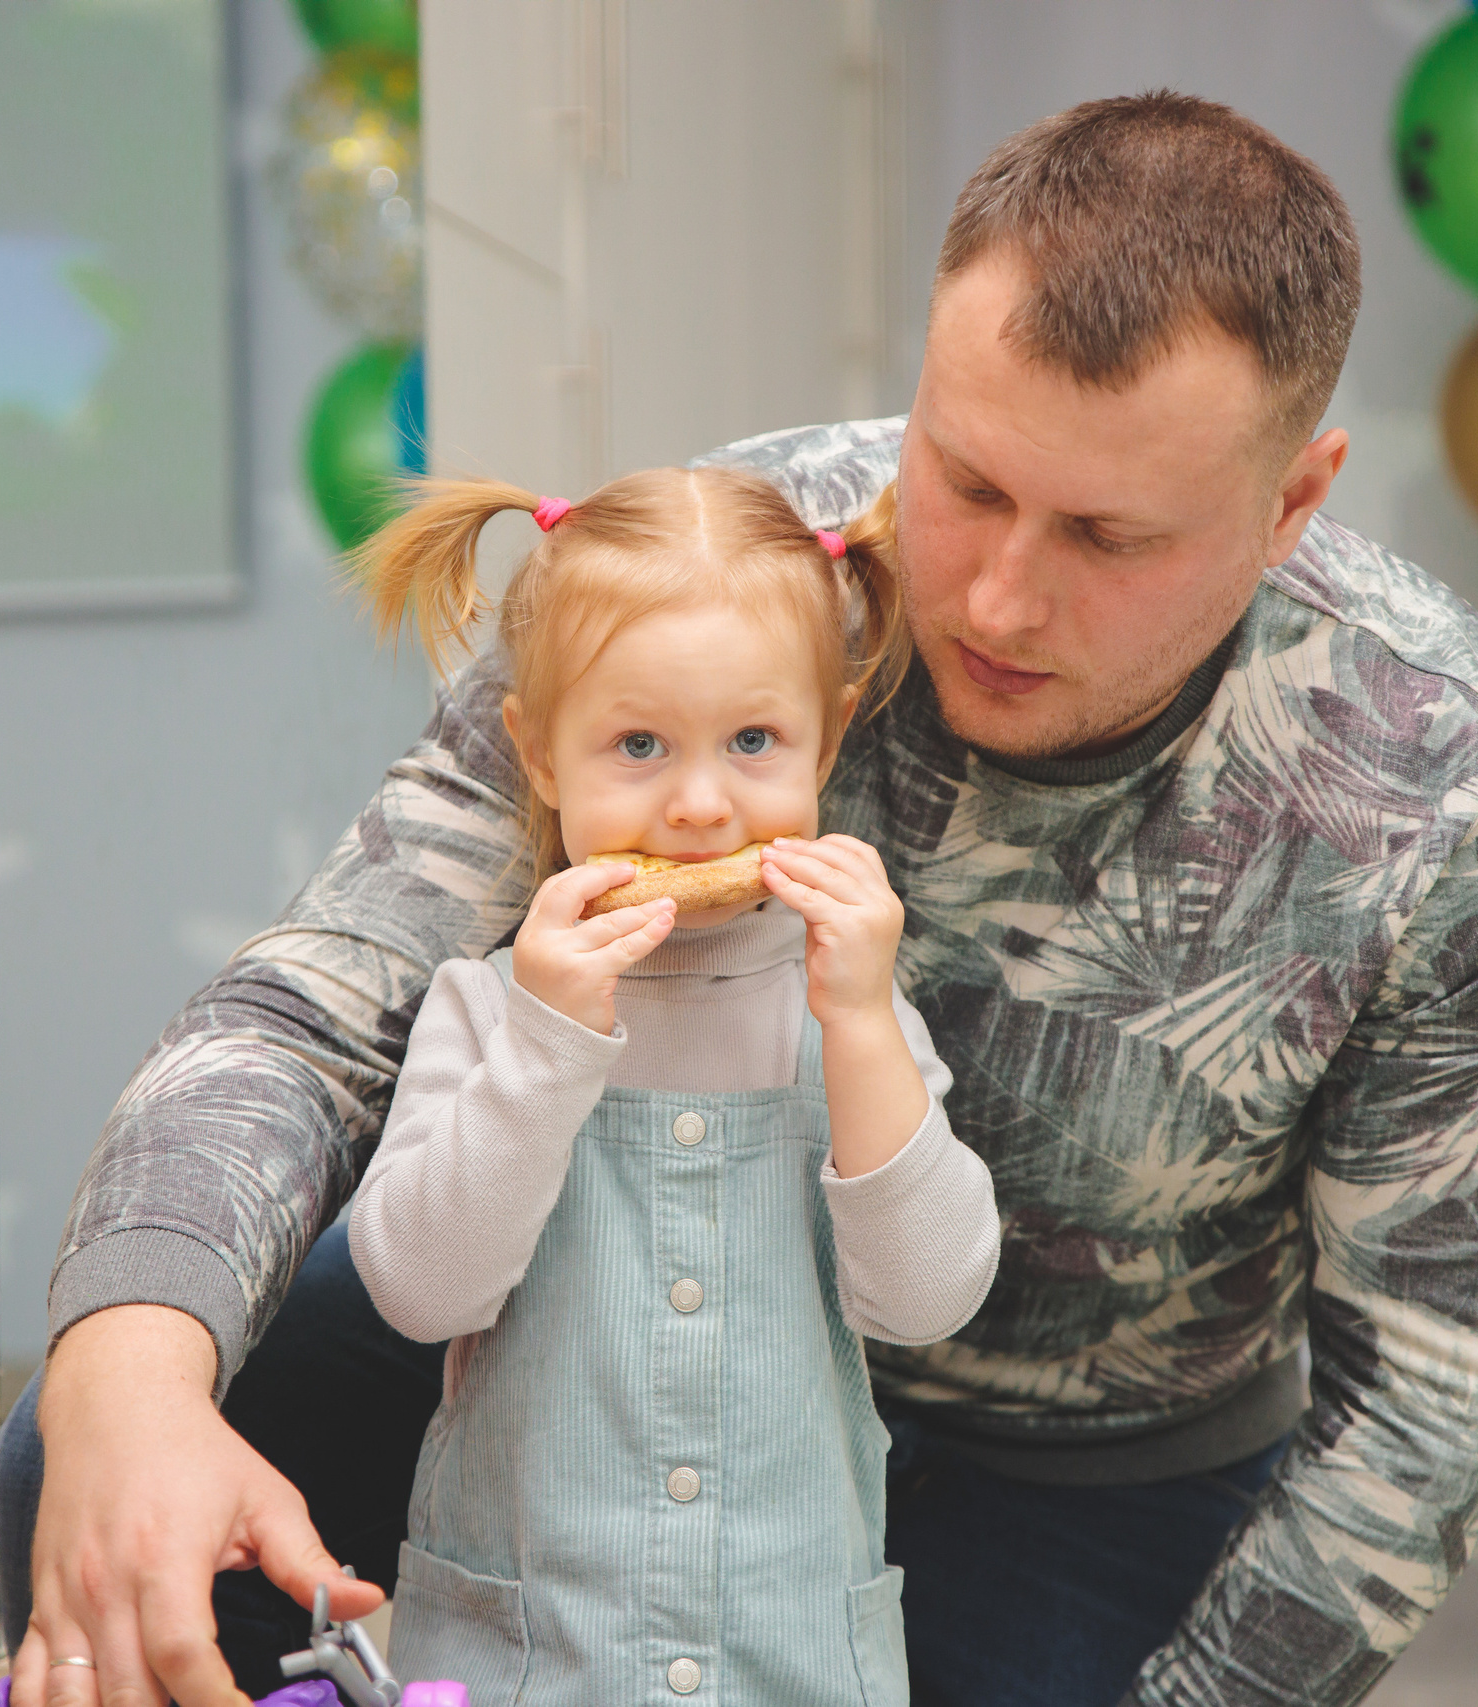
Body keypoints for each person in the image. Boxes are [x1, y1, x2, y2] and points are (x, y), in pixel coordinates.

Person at [0, 90, 1478, 1707]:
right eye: (965, 478)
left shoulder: (1459, 776)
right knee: (89, 1461)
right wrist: (126, 1371)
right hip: (573, 1330)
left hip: (1089, 1469)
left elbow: (1427, 1410)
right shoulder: (728, 577)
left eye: (1109, 535)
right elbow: (314, 1004)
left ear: (1293, 501)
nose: (996, 597)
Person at [340, 467, 998, 1705]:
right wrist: (545, 1046)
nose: (699, 806)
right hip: (535, 1666)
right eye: (637, 746)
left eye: (753, 743)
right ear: (538, 753)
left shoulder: (848, 1010)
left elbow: (928, 1300)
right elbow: (420, 1292)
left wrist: (860, 1022)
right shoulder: (489, 1007)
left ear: (828, 737)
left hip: (787, 1666)